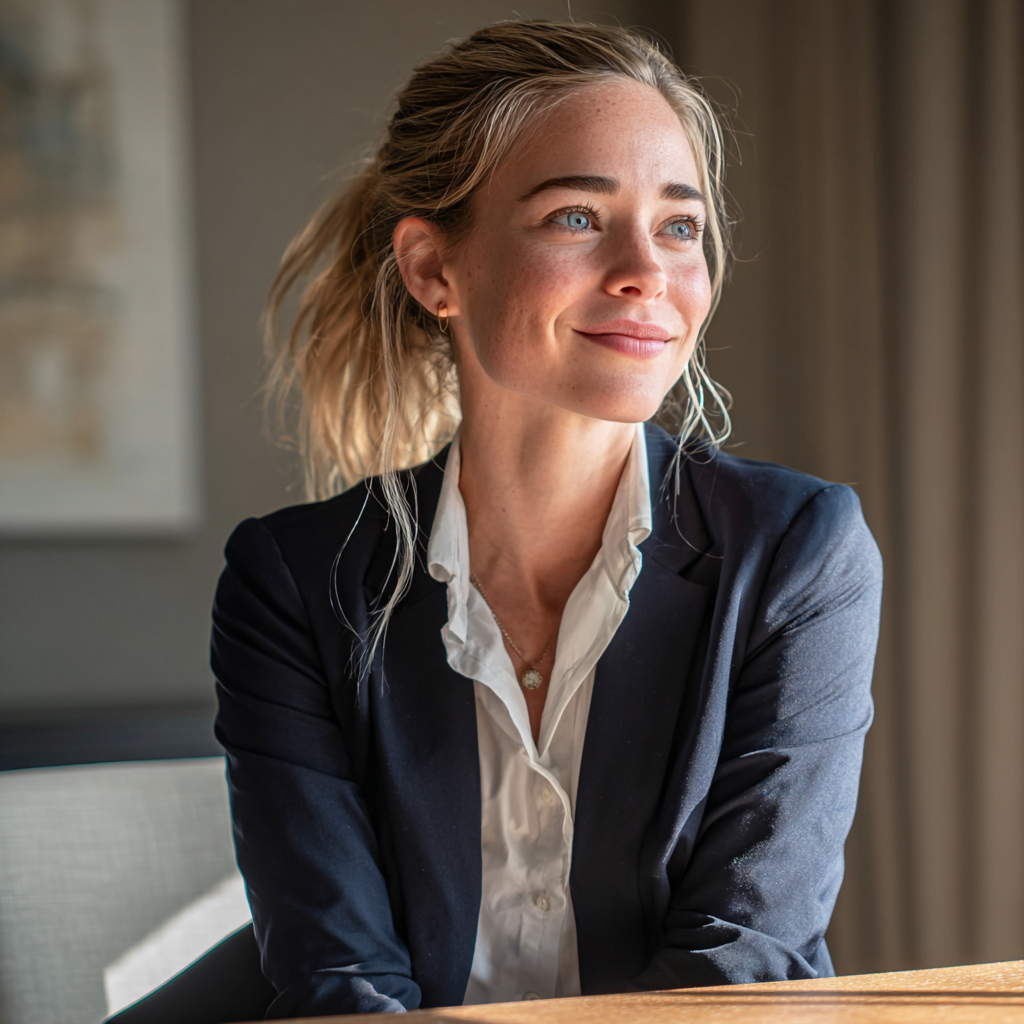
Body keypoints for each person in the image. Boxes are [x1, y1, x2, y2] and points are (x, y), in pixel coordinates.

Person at [212, 20, 882, 1020]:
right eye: (576, 216)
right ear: (432, 269)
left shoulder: (796, 551)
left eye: (680, 226)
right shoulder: (292, 581)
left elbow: (738, 965)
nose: (646, 270)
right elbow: (338, 983)